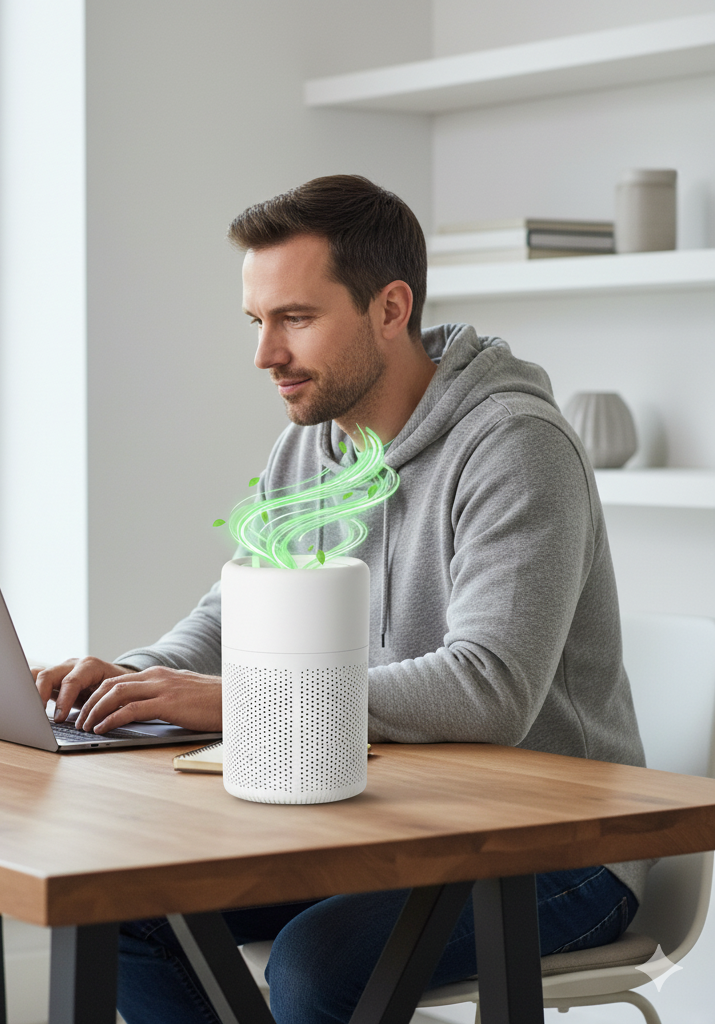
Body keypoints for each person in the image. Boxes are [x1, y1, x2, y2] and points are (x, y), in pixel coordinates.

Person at [33, 175, 649, 1024]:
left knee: (321, 964)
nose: (265, 355)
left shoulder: (515, 446)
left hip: (556, 849)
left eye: (295, 319)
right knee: (125, 907)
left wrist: (232, 701)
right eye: (258, 322)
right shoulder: (313, 444)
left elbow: (491, 689)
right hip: (386, 826)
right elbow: (232, 608)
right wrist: (128, 679)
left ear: (390, 308)